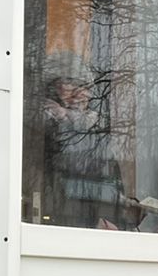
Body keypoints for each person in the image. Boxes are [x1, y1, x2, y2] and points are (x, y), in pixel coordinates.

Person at [36, 50, 125, 229]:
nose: (80, 93)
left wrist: (118, 206)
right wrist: (65, 120)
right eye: (70, 83)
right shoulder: (38, 120)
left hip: (92, 219)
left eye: (85, 86)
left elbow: (109, 175)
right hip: (52, 217)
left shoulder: (98, 129)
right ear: (52, 87)